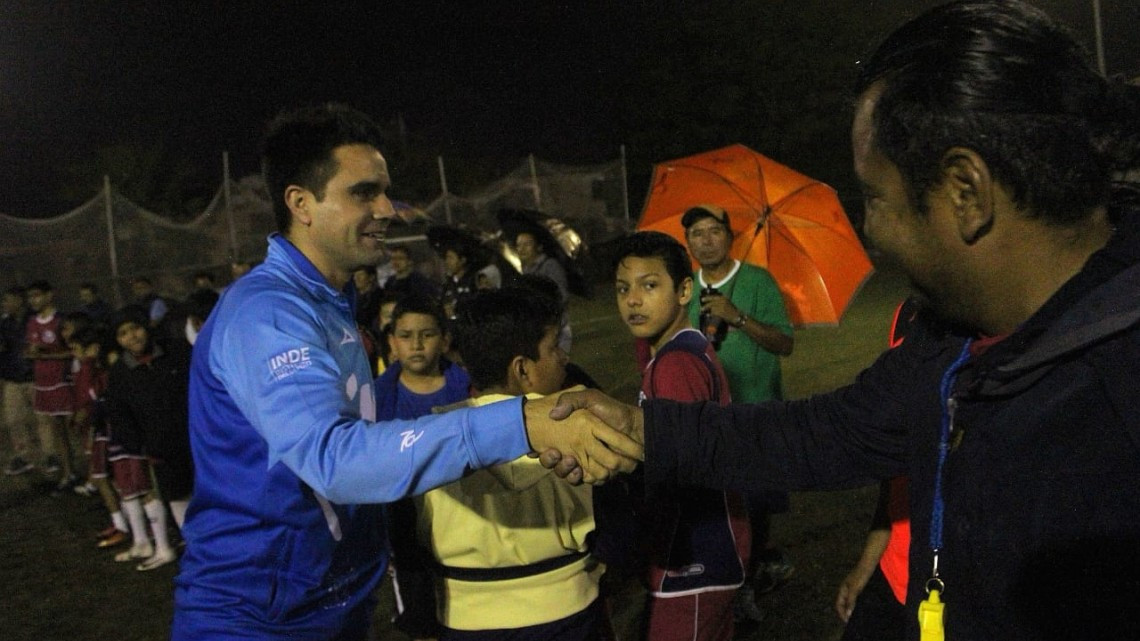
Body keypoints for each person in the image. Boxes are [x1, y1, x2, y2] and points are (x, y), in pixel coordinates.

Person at [549, 2, 1140, 639]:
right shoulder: (952, 337)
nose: (871, 231)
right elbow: (830, 431)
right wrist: (646, 428)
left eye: (875, 197)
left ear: (966, 193)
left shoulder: (1116, 405)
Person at [172, 103, 637, 641]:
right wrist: (523, 423)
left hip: (323, 605)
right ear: (300, 203)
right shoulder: (268, 314)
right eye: (363, 192)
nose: (387, 208)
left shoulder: (328, 302)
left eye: (384, 191)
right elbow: (334, 458)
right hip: (256, 619)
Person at [413, 285, 602, 640]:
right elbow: (615, 525)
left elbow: (411, 541)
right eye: (552, 347)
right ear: (522, 369)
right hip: (568, 612)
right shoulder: (578, 420)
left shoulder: (428, 436)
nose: (563, 356)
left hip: (466, 618)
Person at [613, 231, 747, 641]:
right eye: (623, 288)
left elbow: (678, 468)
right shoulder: (680, 351)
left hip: (694, 556)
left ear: (685, 289)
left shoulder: (675, 366)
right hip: (700, 553)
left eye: (649, 285)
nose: (633, 300)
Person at [681, 204, 795, 619]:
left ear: (729, 237)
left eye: (714, 230)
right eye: (697, 232)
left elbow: (785, 343)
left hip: (756, 411)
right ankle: (728, 572)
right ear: (688, 242)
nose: (706, 239)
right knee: (715, 501)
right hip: (706, 414)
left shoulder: (758, 281)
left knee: (756, 499)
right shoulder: (684, 288)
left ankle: (748, 579)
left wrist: (738, 317)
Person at [373, 293, 469, 641]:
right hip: (406, 529)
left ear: (444, 340)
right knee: (422, 620)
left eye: (427, 335)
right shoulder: (377, 398)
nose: (416, 344)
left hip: (466, 525)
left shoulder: (467, 389)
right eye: (406, 335)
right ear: (392, 343)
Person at [834, 298, 920, 641]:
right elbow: (895, 471)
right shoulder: (908, 312)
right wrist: (867, 565)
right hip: (894, 571)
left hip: (953, 589)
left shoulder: (1002, 318)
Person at [105, 305, 192, 570]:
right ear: (118, 340)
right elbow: (119, 415)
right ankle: (198, 547)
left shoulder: (177, 352)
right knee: (178, 498)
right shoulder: (120, 373)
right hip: (160, 449)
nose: (132, 336)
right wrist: (140, 447)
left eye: (135, 328)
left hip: (197, 439)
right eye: (123, 333)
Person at [24, 281, 78, 489]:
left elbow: (73, 350)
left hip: (63, 380)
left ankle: (96, 473)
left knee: (76, 426)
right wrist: (31, 353)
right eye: (30, 297)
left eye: (37, 295)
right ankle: (68, 473)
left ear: (49, 296)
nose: (33, 300)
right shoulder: (31, 323)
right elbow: (30, 350)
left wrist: (48, 353)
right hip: (43, 382)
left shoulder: (60, 321)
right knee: (58, 431)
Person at [1, 286, 40, 476]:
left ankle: (52, 455)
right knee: (14, 420)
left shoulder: (33, 319)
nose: (4, 304)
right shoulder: (4, 324)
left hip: (34, 375)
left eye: (7, 300)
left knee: (43, 419)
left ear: (19, 300)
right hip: (13, 377)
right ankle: (23, 456)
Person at [516, 230, 569, 302]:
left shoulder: (550, 265)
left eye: (527, 244)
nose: (522, 249)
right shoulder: (525, 268)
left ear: (539, 247)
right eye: (519, 245)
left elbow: (561, 295)